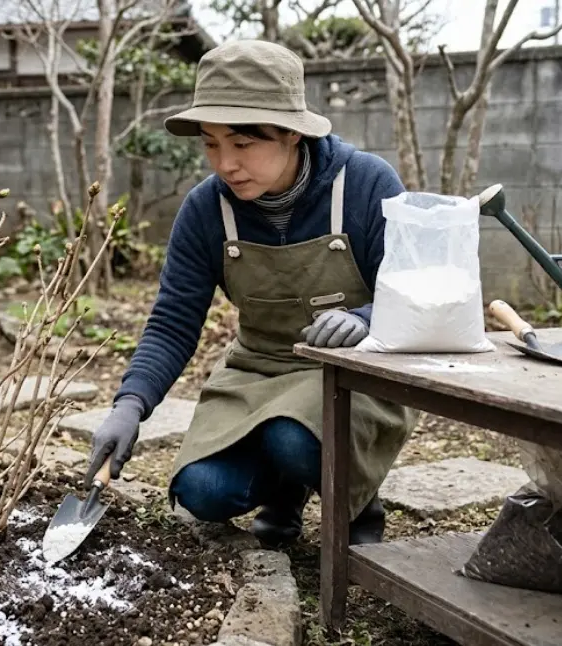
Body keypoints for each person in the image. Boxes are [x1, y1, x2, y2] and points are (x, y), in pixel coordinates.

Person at [83, 39, 418, 547]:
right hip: (257, 371)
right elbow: (174, 321)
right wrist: (130, 405)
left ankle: (356, 503)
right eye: (211, 144)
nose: (224, 163)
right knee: (203, 491)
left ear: (291, 133)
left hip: (353, 373)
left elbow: (415, 290)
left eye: (242, 144)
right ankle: (286, 489)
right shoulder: (205, 211)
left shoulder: (367, 184)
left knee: (294, 437)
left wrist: (369, 317)